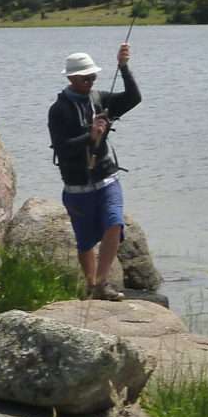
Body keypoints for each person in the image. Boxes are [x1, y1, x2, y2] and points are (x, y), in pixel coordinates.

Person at [48, 44, 141, 300]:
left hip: (107, 178)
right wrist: (89, 137)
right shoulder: (59, 110)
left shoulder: (99, 99)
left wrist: (123, 67)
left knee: (114, 224)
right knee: (85, 241)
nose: (90, 82)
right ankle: (91, 285)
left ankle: (101, 282)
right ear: (71, 78)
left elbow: (134, 98)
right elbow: (62, 148)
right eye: (84, 78)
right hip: (77, 185)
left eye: (93, 77)